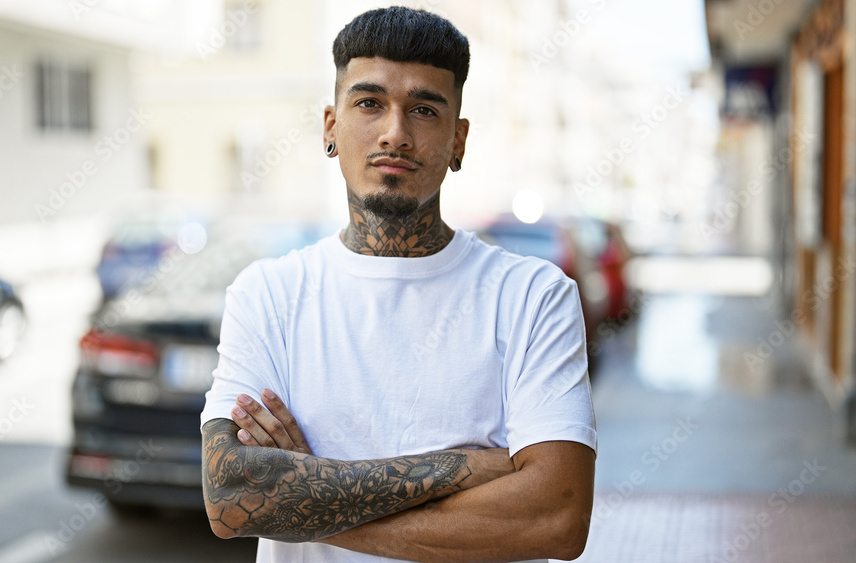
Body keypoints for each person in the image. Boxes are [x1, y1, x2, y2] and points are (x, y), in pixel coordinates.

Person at [200, 6, 597, 562]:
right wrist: (471, 466)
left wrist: (301, 497)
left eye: (424, 110)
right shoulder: (268, 293)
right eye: (369, 103)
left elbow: (556, 516)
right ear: (330, 127)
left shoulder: (533, 296)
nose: (395, 133)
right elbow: (231, 495)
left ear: (458, 141)